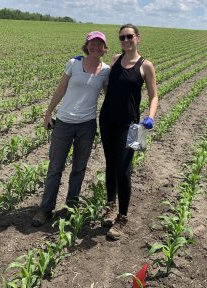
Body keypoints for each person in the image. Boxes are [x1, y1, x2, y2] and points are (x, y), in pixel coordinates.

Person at [32, 31, 110, 227]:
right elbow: (61, 89)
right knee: (55, 167)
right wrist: (49, 112)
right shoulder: (73, 63)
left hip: (87, 125)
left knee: (79, 169)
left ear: (104, 49)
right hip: (64, 123)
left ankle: (70, 207)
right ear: (86, 45)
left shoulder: (106, 70)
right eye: (92, 43)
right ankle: (45, 209)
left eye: (100, 44)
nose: (95, 47)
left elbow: (110, 96)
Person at [99, 24, 158, 240]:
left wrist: (150, 116)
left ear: (138, 38)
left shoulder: (145, 66)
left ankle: (122, 216)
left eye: (129, 36)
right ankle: (110, 206)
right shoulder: (115, 60)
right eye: (122, 37)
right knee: (110, 164)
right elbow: (101, 77)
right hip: (106, 120)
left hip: (131, 126)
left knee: (124, 169)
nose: (126, 40)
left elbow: (154, 96)